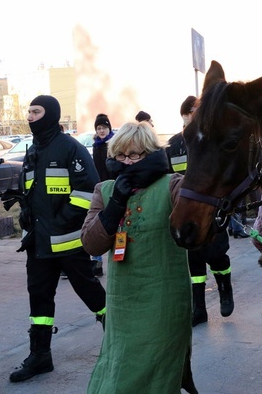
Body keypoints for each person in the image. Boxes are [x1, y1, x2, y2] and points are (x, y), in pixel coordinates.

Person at [81, 122, 196, 393]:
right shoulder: (105, 190)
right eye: (120, 156)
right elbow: (90, 244)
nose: (128, 162)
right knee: (120, 367)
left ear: (151, 154)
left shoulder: (172, 185)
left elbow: (195, 220)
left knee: (157, 369)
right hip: (123, 304)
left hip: (164, 301)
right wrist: (116, 206)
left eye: (136, 156)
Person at [8, 95, 106, 383]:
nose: (29, 116)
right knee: (38, 297)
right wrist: (25, 211)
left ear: (50, 114)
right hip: (37, 244)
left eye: (35, 111)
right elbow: (30, 191)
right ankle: (40, 356)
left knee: (90, 292)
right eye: (28, 111)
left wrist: (61, 221)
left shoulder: (70, 148)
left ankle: (119, 340)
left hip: (67, 240)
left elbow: (89, 191)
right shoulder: (32, 151)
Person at [165, 95, 237, 326]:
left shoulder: (210, 139)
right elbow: (168, 176)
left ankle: (225, 289)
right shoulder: (175, 144)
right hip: (187, 210)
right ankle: (199, 308)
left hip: (211, 206)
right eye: (188, 119)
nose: (190, 123)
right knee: (194, 262)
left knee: (216, 255)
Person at [91, 113, 115, 278]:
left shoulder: (114, 143)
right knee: (97, 224)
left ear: (109, 128)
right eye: (99, 128)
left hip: (114, 187)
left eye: (104, 128)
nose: (101, 131)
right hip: (100, 188)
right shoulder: (96, 145)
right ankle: (97, 263)